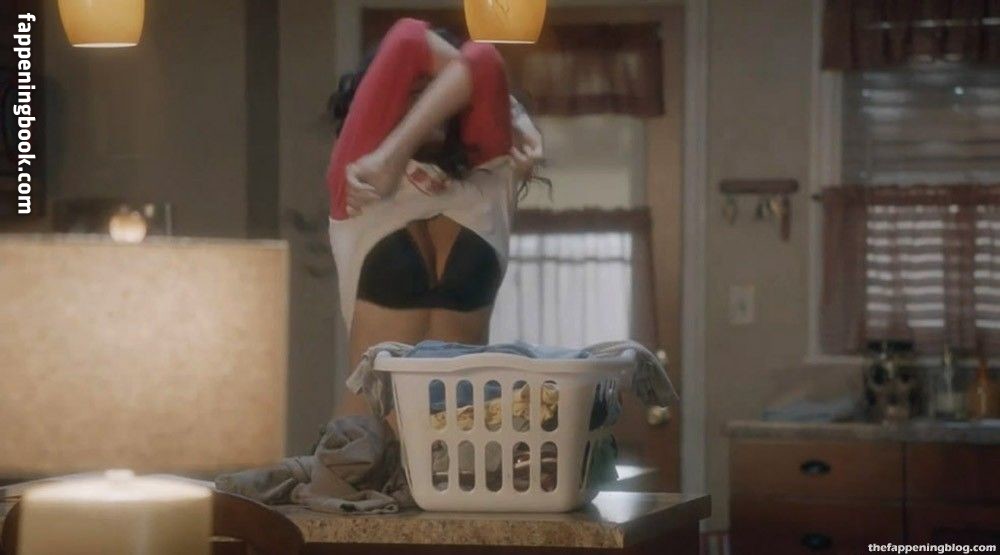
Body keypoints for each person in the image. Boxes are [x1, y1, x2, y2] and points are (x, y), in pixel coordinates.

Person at [326, 18, 544, 415]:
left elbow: (483, 59)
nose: (428, 107)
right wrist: (389, 159)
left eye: (441, 94)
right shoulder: (360, 181)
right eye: (414, 93)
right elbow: (408, 38)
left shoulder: (491, 183)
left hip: (465, 446)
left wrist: (517, 120)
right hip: (365, 442)